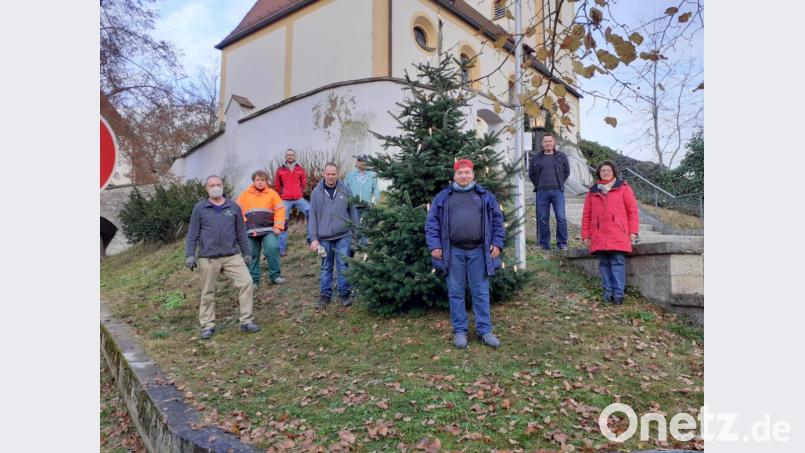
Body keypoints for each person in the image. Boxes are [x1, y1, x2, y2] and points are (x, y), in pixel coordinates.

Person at [425, 159, 504, 349]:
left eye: (467, 172)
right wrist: (434, 245)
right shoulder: (443, 197)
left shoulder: (485, 196)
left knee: (481, 292)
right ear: (454, 176)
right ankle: (460, 330)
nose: (463, 176)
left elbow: (498, 221)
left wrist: (497, 243)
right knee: (455, 292)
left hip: (479, 251)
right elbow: (431, 223)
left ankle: (485, 330)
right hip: (453, 252)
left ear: (473, 175)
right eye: (460, 173)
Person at [185, 175, 260, 339]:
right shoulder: (200, 208)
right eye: (212, 185)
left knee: (247, 282)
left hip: (232, 256)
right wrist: (190, 255)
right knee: (207, 292)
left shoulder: (233, 207)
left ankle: (246, 321)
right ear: (206, 189)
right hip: (208, 257)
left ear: (223, 187)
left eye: (218, 184)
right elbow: (192, 234)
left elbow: (241, 232)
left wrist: (247, 252)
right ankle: (207, 325)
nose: (215, 187)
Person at [581, 161, 639, 305]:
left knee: (617, 262)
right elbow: (586, 215)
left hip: (618, 233)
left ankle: (618, 295)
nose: (605, 172)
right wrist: (586, 235)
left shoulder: (624, 189)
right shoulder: (592, 192)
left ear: (613, 172)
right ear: (599, 173)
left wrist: (633, 232)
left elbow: (633, 212)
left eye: (608, 170)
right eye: (603, 171)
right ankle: (607, 293)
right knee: (604, 264)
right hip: (599, 234)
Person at [308, 163, 359, 309]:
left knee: (343, 265)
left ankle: (344, 294)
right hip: (324, 238)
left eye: (333, 174)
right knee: (326, 267)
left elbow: (353, 212)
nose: (331, 177)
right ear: (323, 174)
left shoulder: (346, 190)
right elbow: (312, 217)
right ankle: (325, 295)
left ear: (338, 174)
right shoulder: (316, 193)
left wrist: (356, 234)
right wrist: (313, 238)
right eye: (328, 174)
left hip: (344, 235)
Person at [236, 170, 287, 289]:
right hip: (250, 231)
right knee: (252, 254)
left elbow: (280, 210)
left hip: (269, 230)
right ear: (254, 181)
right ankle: (253, 280)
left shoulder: (272, 194)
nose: (260, 182)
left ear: (266, 181)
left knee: (272, 249)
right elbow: (237, 210)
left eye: (262, 180)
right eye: (258, 180)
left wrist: (278, 226)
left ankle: (275, 276)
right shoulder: (245, 194)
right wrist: (243, 224)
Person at [528, 132, 571, 251]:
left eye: (550, 141)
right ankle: (544, 244)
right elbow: (531, 174)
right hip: (541, 191)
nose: (548, 143)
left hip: (558, 191)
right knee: (543, 218)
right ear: (542, 144)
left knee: (561, 217)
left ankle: (562, 243)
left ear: (554, 142)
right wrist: (539, 184)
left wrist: (560, 182)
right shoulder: (536, 157)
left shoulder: (561, 156)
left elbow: (566, 171)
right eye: (545, 141)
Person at [275, 148, 309, 256]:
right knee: (282, 223)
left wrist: (299, 192)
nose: (290, 156)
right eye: (288, 155)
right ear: (286, 157)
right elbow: (277, 184)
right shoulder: (280, 170)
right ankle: (282, 249)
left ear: (295, 157)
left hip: (298, 198)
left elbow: (303, 183)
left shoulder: (300, 169)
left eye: (292, 155)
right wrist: (282, 194)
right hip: (285, 199)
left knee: (311, 211)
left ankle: (311, 239)